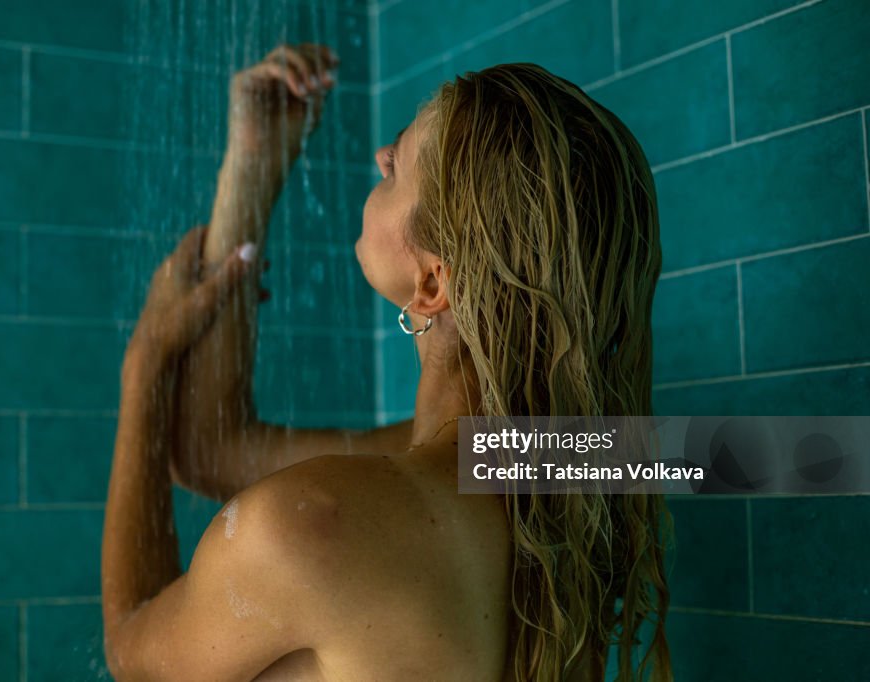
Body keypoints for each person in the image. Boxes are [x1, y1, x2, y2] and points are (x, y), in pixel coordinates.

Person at [102, 42, 673, 682]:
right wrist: (253, 169)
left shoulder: (308, 525)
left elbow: (131, 655)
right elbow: (210, 449)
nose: (380, 155)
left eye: (396, 166)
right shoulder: (576, 467)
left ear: (432, 284)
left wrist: (145, 357)